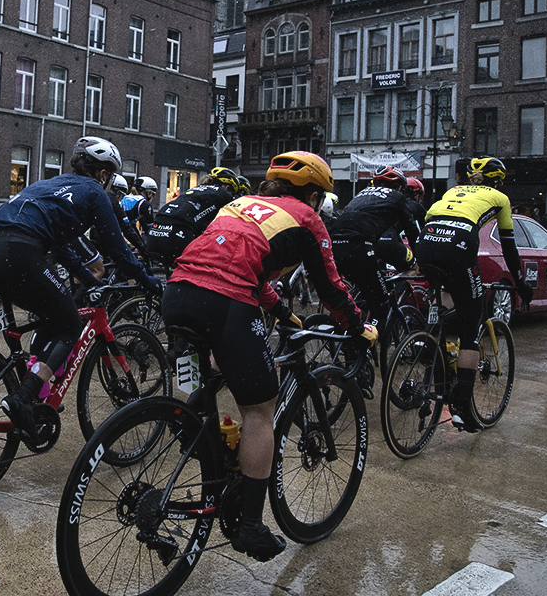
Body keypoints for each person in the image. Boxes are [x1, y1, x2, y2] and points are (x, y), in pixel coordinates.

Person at [161, 151, 369, 562]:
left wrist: (282, 313)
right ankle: (251, 526)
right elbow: (330, 286)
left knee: (218, 366)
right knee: (259, 409)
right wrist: (357, 326)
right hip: (224, 301)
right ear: (313, 196)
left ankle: (194, 425)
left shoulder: (240, 204)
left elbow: (242, 269)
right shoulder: (306, 217)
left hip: (178, 291)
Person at [0, 137, 162, 442]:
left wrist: (90, 280)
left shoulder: (52, 184)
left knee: (52, 314)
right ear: (103, 173)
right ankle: (23, 398)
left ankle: (35, 389)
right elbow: (119, 251)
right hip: (20, 251)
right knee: (71, 325)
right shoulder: (94, 191)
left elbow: (61, 248)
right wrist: (147, 281)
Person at [415, 157, 533, 433]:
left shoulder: (452, 191)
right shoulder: (500, 198)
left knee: (446, 291)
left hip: (426, 240)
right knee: (471, 322)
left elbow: (427, 218)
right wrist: (520, 282)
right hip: (459, 244)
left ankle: (427, 337)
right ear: (497, 181)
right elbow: (509, 247)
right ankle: (462, 409)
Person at [329, 167, 421, 354]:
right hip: (359, 247)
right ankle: (364, 350)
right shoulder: (397, 197)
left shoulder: (361, 194)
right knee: (381, 305)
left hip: (335, 245)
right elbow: (412, 232)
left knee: (363, 292)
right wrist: (421, 257)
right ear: (400, 188)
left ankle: (350, 339)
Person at [145, 166, 249, 268]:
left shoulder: (196, 189)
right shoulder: (223, 194)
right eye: (232, 192)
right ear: (227, 187)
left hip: (154, 234)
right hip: (178, 235)